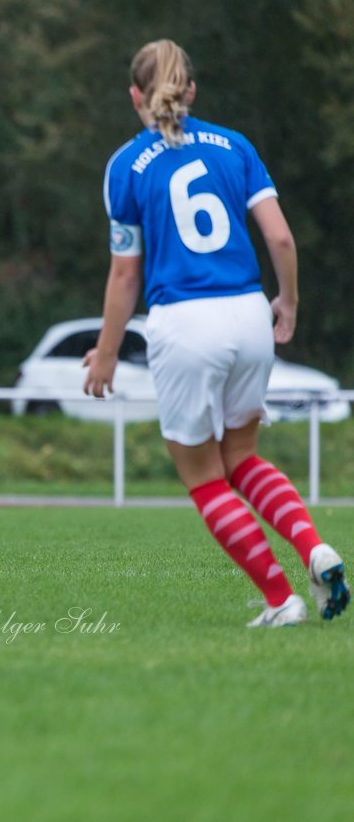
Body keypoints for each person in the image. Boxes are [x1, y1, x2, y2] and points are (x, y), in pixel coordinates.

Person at [84, 39, 349, 627]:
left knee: (204, 476)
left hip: (185, 320)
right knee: (242, 457)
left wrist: (105, 354)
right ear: (192, 92)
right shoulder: (235, 145)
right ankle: (314, 549)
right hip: (247, 309)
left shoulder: (126, 165)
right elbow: (280, 238)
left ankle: (282, 601)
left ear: (135, 95)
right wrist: (288, 302)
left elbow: (126, 274)